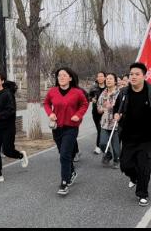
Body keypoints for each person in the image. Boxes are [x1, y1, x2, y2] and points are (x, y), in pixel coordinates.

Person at [114, 62, 151, 207]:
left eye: (137, 74)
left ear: (144, 76)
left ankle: (142, 193)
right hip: (127, 136)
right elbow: (116, 108)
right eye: (131, 74)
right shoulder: (124, 93)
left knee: (144, 166)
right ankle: (135, 177)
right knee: (125, 165)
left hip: (146, 137)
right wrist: (116, 115)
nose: (133, 76)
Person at [44, 67, 89, 196]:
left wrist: (78, 115)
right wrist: (50, 113)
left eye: (64, 75)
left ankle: (64, 182)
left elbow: (84, 104)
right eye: (59, 75)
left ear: (70, 78)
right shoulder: (52, 91)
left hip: (71, 127)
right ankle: (72, 171)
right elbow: (46, 103)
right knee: (63, 153)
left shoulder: (77, 92)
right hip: (57, 128)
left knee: (64, 154)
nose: (61, 77)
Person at [0, 71, 28, 185]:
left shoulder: (8, 94)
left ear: (2, 81)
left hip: (8, 127)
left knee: (8, 151)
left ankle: (21, 155)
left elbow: (11, 110)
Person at [97, 73, 121, 169]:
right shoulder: (103, 93)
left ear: (115, 81)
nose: (108, 80)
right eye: (107, 78)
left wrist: (118, 112)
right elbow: (98, 108)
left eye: (111, 78)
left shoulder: (120, 93)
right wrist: (103, 108)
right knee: (102, 143)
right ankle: (108, 155)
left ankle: (116, 160)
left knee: (116, 146)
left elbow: (125, 107)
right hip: (105, 123)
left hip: (116, 123)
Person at [89, 72, 106, 155]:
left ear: (105, 77)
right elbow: (88, 96)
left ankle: (98, 147)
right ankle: (103, 143)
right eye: (98, 76)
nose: (100, 78)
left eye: (102, 76)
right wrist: (92, 99)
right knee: (99, 129)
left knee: (101, 129)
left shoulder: (108, 87)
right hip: (95, 112)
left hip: (105, 112)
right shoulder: (93, 88)